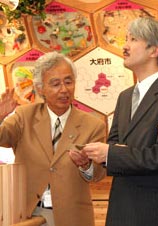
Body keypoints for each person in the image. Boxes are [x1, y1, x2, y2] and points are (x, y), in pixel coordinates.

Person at [82, 17, 158, 226]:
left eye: (133, 39)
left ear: (155, 50)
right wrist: (99, 156)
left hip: (152, 207)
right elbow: (114, 144)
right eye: (126, 39)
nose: (125, 46)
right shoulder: (125, 96)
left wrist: (112, 153)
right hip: (121, 206)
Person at [0, 51, 106, 226]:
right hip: (28, 214)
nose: (64, 89)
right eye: (55, 84)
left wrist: (86, 166)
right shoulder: (24, 116)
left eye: (68, 82)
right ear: (40, 89)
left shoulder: (93, 125)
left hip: (72, 216)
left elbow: (99, 174)